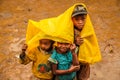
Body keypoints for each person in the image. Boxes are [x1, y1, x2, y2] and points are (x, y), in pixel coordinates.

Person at [71, 5, 90, 80]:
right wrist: (75, 42)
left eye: (83, 19)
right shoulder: (69, 31)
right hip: (71, 62)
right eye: (76, 19)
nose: (80, 22)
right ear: (72, 20)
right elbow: (63, 46)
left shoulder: (88, 30)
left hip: (84, 63)